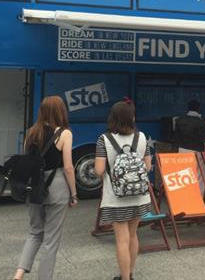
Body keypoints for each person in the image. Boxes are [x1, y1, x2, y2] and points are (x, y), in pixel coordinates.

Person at [13, 96, 78, 280]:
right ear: (61, 111)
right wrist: (73, 194)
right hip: (56, 186)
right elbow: (68, 167)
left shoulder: (31, 132)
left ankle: (18, 274)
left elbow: (28, 161)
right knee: (51, 239)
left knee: (35, 232)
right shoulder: (65, 134)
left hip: (34, 186)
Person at [94, 101, 152, 280]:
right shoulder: (141, 137)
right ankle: (130, 274)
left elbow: (99, 170)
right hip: (139, 196)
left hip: (116, 198)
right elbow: (148, 167)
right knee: (132, 235)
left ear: (113, 118)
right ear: (132, 118)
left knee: (122, 239)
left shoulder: (104, 139)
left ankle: (125, 278)